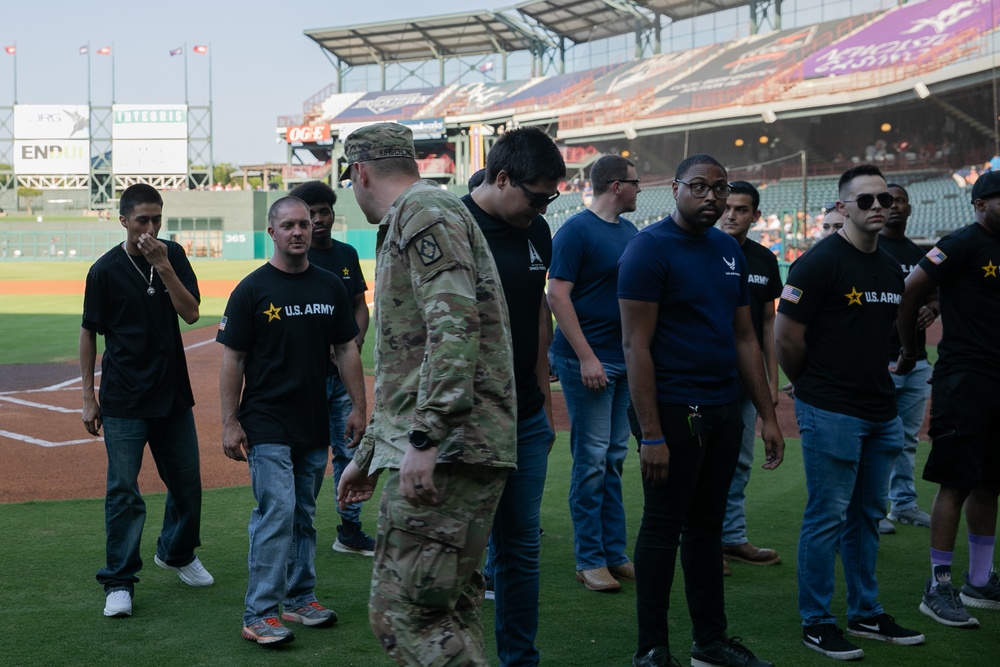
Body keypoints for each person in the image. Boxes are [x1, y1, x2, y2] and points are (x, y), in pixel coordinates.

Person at [335, 122, 517, 666]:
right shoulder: (423, 210)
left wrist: (427, 435)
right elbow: (408, 360)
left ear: (360, 172)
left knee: (402, 616)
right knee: (448, 614)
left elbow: (454, 329)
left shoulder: (422, 212)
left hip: (450, 450)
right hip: (453, 446)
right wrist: (370, 454)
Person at [621, 154, 784, 667]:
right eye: (699, 187)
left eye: (719, 188)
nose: (711, 197)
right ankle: (652, 648)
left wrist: (767, 414)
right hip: (671, 409)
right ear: (675, 189)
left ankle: (710, 642)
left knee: (707, 529)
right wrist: (650, 433)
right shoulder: (648, 249)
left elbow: (744, 336)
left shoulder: (726, 249)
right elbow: (635, 346)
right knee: (663, 524)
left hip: (721, 408)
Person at [775, 164, 924, 661]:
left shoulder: (890, 265)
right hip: (832, 409)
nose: (878, 206)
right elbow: (786, 339)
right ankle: (816, 622)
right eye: (865, 201)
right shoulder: (818, 264)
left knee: (866, 515)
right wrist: (809, 386)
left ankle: (865, 611)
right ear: (842, 208)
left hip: (879, 409)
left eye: (883, 198)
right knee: (826, 517)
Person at [218, 196, 367, 646]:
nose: (299, 231)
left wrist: (360, 407)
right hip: (265, 421)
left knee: (303, 512)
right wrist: (229, 421)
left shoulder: (328, 286)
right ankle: (259, 612)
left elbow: (346, 349)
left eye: (304, 224)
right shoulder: (252, 289)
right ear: (273, 232)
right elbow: (234, 358)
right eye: (288, 226)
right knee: (278, 510)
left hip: (313, 418)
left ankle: (300, 598)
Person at [80, 183, 213, 619]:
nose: (151, 228)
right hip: (123, 400)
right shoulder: (104, 271)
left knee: (188, 485)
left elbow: (191, 313)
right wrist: (88, 397)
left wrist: (165, 266)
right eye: (142, 220)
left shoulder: (172, 254)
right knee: (123, 492)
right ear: (123, 220)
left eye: (157, 219)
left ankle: (176, 553)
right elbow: (89, 333)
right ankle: (119, 581)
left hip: (172, 394)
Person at [462, 125, 564, 665]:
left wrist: (543, 399)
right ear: (502, 177)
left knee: (521, 549)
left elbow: (537, 313)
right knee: (458, 555)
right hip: (466, 420)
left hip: (523, 415)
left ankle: (519, 659)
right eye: (537, 194)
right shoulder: (452, 227)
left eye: (551, 196)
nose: (543, 205)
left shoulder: (537, 230)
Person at [895, 170, 1000, 629]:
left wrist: (938, 305)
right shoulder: (958, 242)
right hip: (965, 378)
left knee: (990, 482)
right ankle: (938, 585)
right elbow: (912, 288)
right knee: (955, 482)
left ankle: (979, 579)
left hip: (997, 381)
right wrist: (912, 349)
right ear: (979, 204)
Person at [547, 154, 638, 591]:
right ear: (617, 185)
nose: (640, 189)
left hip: (622, 360)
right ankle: (589, 559)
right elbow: (557, 296)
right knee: (591, 460)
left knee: (614, 458)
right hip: (588, 360)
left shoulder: (629, 231)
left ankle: (614, 553)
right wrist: (586, 357)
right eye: (635, 183)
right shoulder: (576, 230)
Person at [288, 180, 374, 556]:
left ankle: (349, 529)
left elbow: (360, 304)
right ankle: (293, 529)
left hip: (340, 377)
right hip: (302, 379)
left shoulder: (346, 254)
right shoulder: (292, 258)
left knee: (348, 451)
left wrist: (351, 343)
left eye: (325, 211)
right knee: (302, 455)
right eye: (312, 213)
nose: (319, 219)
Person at [718, 181, 783, 574]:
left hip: (747, 379)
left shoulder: (764, 259)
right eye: (727, 207)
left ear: (755, 216)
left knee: (740, 461)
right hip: (704, 377)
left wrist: (772, 382)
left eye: (741, 209)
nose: (731, 214)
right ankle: (706, 541)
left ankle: (732, 537)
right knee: (705, 461)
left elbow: (768, 322)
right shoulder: (703, 249)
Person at [877, 183, 938, 535]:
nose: (895, 206)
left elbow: (936, 296)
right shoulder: (871, 248)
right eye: (889, 200)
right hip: (879, 359)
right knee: (876, 435)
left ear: (910, 209)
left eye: (901, 200)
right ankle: (874, 509)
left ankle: (902, 504)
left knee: (907, 438)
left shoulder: (919, 253)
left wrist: (931, 308)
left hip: (915, 361)